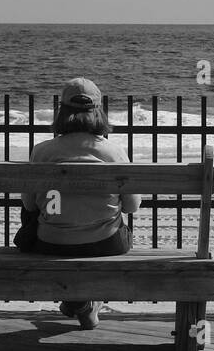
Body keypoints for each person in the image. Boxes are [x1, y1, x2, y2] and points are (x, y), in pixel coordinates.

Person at [12, 77, 139, 329]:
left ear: (62, 112)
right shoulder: (113, 153)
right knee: (119, 225)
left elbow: (29, 206)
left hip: (51, 243)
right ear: (99, 112)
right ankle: (84, 301)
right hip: (106, 244)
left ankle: (78, 301)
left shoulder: (42, 151)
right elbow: (132, 206)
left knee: (40, 219)